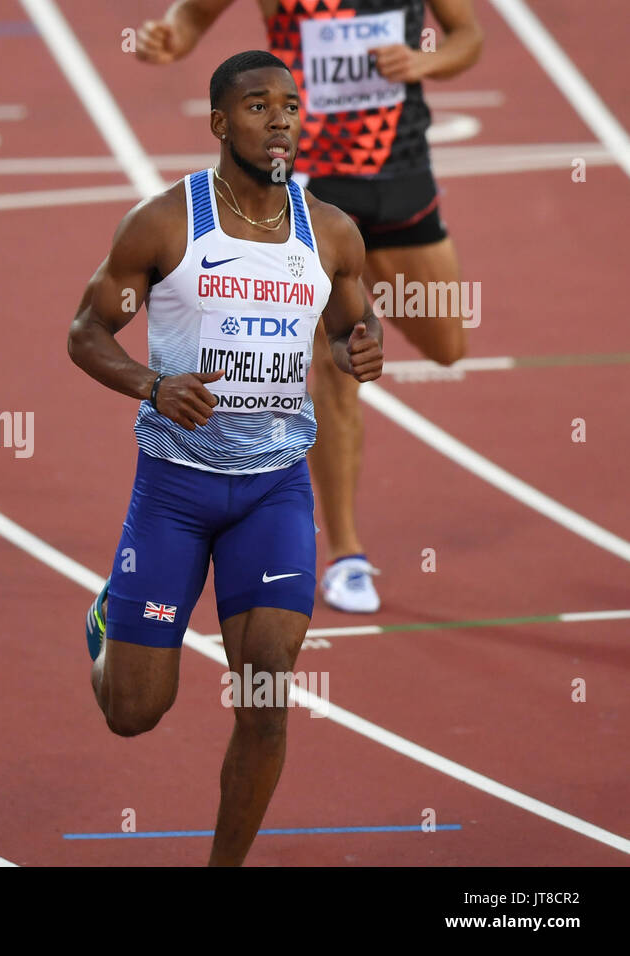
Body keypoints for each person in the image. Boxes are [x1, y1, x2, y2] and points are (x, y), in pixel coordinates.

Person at [69, 51, 382, 865]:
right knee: (134, 712)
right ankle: (110, 615)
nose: (278, 118)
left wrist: (360, 349)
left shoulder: (332, 231)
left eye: (288, 105)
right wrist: (151, 383)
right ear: (219, 123)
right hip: (175, 492)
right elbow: (85, 331)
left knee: (267, 694)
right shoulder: (167, 223)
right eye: (255, 105)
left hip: (276, 492)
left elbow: (355, 324)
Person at [136, 0, 483, 612]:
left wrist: (423, 58)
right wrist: (174, 35)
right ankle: (346, 556)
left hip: (400, 174)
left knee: (448, 345)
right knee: (336, 364)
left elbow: (467, 36)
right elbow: (193, 14)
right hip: (311, 181)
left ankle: (362, 269)